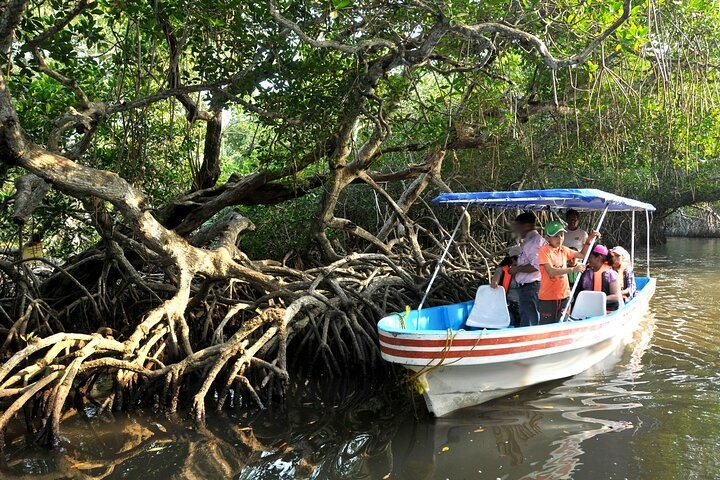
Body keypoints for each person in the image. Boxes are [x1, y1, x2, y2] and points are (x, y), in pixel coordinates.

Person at [537, 221, 598, 324]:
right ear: (547, 238)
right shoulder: (544, 251)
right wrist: (572, 270)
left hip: (564, 295)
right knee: (547, 325)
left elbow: (582, 255)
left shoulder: (564, 250)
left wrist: (589, 240)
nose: (560, 239)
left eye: (561, 235)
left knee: (562, 323)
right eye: (556, 236)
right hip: (548, 297)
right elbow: (551, 272)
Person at [508, 212, 546, 327]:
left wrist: (517, 270)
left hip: (531, 286)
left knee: (530, 319)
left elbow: (535, 265)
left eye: (518, 226)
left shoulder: (534, 241)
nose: (517, 230)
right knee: (527, 315)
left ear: (526, 226)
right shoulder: (530, 241)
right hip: (528, 287)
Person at [576, 244, 624, 311]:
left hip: (606, 309)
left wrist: (597, 299)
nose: (588, 260)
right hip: (588, 307)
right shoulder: (586, 273)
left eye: (590, 257)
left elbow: (615, 297)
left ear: (599, 258)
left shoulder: (611, 274)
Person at [490, 245, 521, 327]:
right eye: (520, 258)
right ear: (512, 259)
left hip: (523, 303)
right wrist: (495, 282)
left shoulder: (525, 269)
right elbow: (495, 279)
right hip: (507, 304)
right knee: (511, 321)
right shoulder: (502, 270)